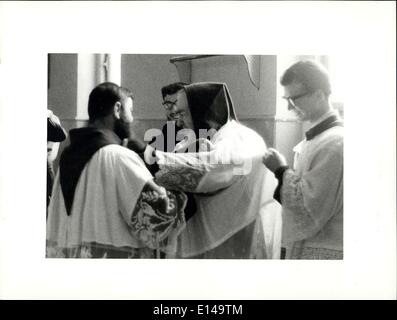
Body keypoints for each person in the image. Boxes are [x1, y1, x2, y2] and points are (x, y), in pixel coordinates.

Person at [46, 82, 186, 258]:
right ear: (117, 109)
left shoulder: (68, 155)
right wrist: (182, 194)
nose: (132, 119)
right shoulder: (117, 156)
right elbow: (159, 215)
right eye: (130, 110)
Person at [143, 82, 281, 259]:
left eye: (183, 113)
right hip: (223, 230)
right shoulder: (215, 134)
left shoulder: (238, 137)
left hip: (236, 233)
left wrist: (157, 160)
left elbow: (212, 169)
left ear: (201, 111)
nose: (179, 120)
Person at [262, 60, 343, 259]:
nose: (289, 107)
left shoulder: (334, 143)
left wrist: (280, 170)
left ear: (319, 94)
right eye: (286, 99)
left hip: (326, 247)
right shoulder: (318, 138)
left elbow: (309, 208)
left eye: (294, 99)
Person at [47, 110, 67, 215]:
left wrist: (48, 116)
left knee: (50, 196)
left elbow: (61, 135)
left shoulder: (50, 118)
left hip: (46, 161)